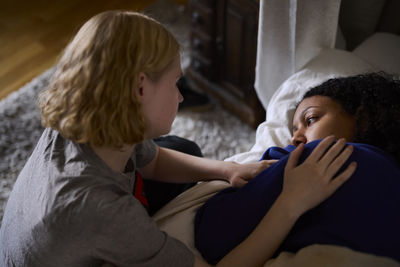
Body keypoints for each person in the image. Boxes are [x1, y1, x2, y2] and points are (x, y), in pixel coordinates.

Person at [0, 11, 355, 267]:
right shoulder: (103, 210)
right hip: (80, 231)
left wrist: (226, 169)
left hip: (53, 234)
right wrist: (291, 203)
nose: (181, 97)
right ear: (141, 87)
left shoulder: (90, 116)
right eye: (175, 83)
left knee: (184, 150)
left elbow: (151, 160)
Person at [195, 73, 400, 264]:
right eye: (293, 129)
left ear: (362, 121)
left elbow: (212, 232)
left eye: (310, 120)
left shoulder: (319, 156)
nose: (294, 138)